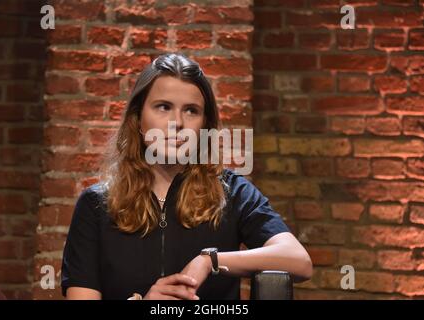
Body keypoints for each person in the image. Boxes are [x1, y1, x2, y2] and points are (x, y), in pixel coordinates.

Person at [61, 53, 313, 300]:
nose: (177, 122)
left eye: (191, 110)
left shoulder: (231, 192)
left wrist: (209, 261)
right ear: (138, 118)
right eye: (163, 107)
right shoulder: (96, 205)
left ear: (204, 125)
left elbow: (299, 261)